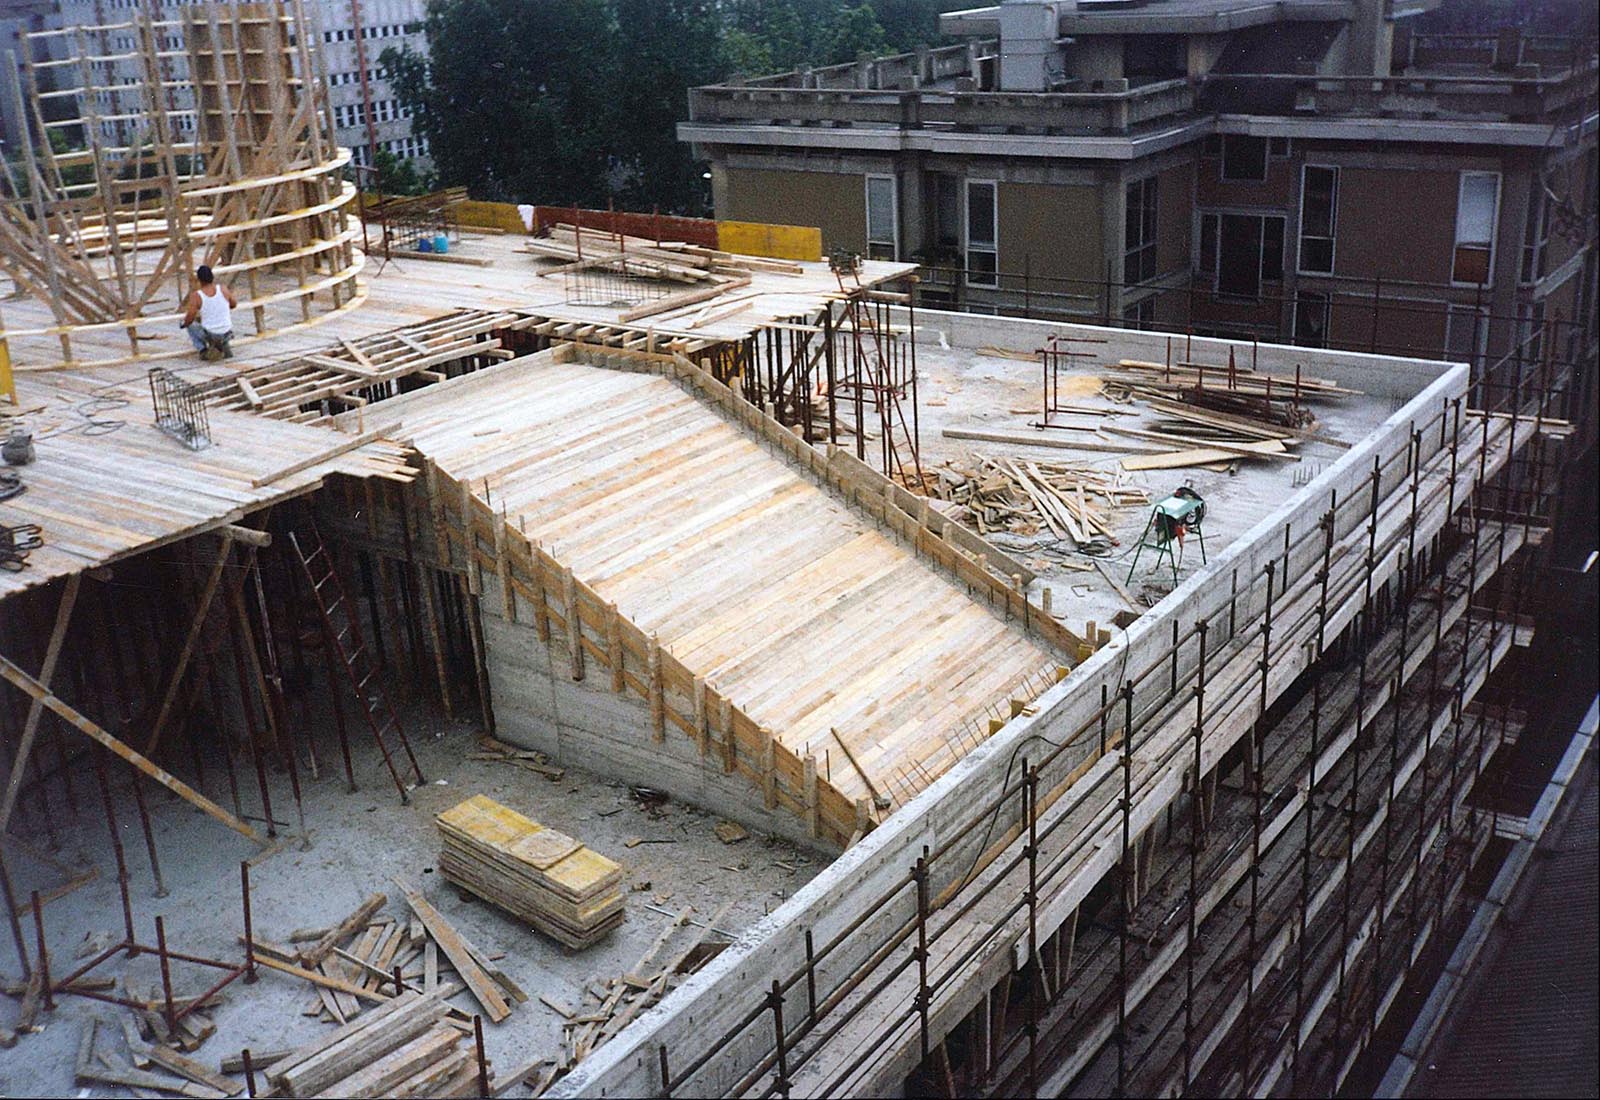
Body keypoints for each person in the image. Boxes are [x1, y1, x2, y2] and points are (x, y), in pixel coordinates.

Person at [180, 265, 236, 360]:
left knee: (189, 324)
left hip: (211, 333)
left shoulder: (197, 296)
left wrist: (183, 324)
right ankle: (223, 345)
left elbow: (190, 317)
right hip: (226, 331)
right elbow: (233, 304)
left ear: (199, 280)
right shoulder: (223, 289)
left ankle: (203, 351)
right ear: (212, 277)